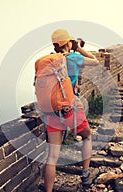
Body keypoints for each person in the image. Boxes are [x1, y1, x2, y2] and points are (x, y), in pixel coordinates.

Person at [43, 29, 99, 191]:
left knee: (52, 156)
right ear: (68, 42)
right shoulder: (73, 57)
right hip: (70, 107)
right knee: (87, 137)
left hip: (52, 110)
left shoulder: (49, 60)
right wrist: (79, 47)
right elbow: (95, 61)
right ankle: (86, 174)